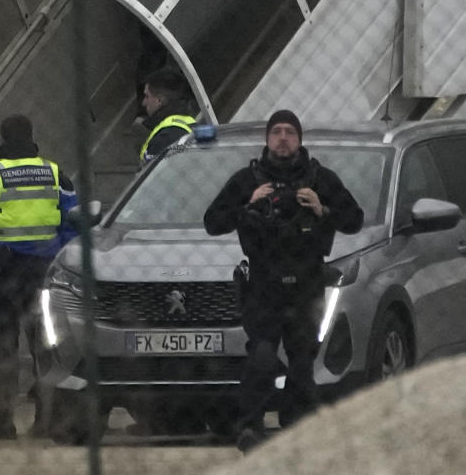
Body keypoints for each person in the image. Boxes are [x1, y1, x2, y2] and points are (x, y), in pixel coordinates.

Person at [203, 110, 363, 453]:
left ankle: (296, 428)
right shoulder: (248, 180)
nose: (283, 138)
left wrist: (322, 210)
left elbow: (354, 220)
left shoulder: (320, 178)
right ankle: (250, 427)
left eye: (290, 132)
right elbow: (212, 222)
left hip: (307, 280)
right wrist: (248, 205)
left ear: (300, 139)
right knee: (261, 353)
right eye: (276, 131)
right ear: (267, 139)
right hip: (263, 281)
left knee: (302, 358)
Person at [0, 114, 78, 440]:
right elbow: (73, 228)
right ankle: (45, 420)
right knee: (46, 348)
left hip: (1, 277)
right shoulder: (57, 176)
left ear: (2, 137)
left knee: (4, 350)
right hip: (45, 275)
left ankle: (4, 422)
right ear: (31, 135)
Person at [138, 68, 196, 164]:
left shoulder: (166, 138)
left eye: (147, 96)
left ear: (159, 100)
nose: (144, 103)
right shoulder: (186, 123)